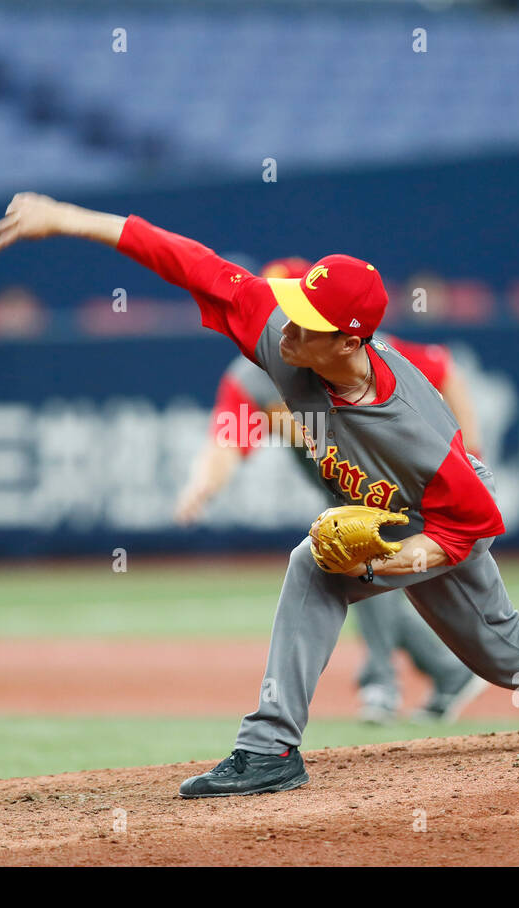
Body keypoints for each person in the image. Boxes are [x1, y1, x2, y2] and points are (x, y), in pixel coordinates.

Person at [0, 194, 519, 798]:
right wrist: (68, 218)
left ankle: (268, 750)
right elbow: (185, 259)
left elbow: (480, 520)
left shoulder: (414, 428)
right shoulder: (283, 335)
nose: (286, 331)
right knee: (510, 657)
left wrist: (405, 552)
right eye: (293, 310)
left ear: (354, 342)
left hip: (444, 519)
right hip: (397, 510)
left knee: (320, 567)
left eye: (309, 325)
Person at [176, 260, 487, 723]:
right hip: (348, 488)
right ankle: (446, 671)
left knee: (358, 560)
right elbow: (226, 439)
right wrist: (203, 481)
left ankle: (381, 682)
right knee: (351, 561)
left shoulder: (361, 351)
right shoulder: (253, 370)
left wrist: (470, 455)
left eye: (297, 310)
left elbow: (446, 370)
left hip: (398, 477)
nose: (284, 321)